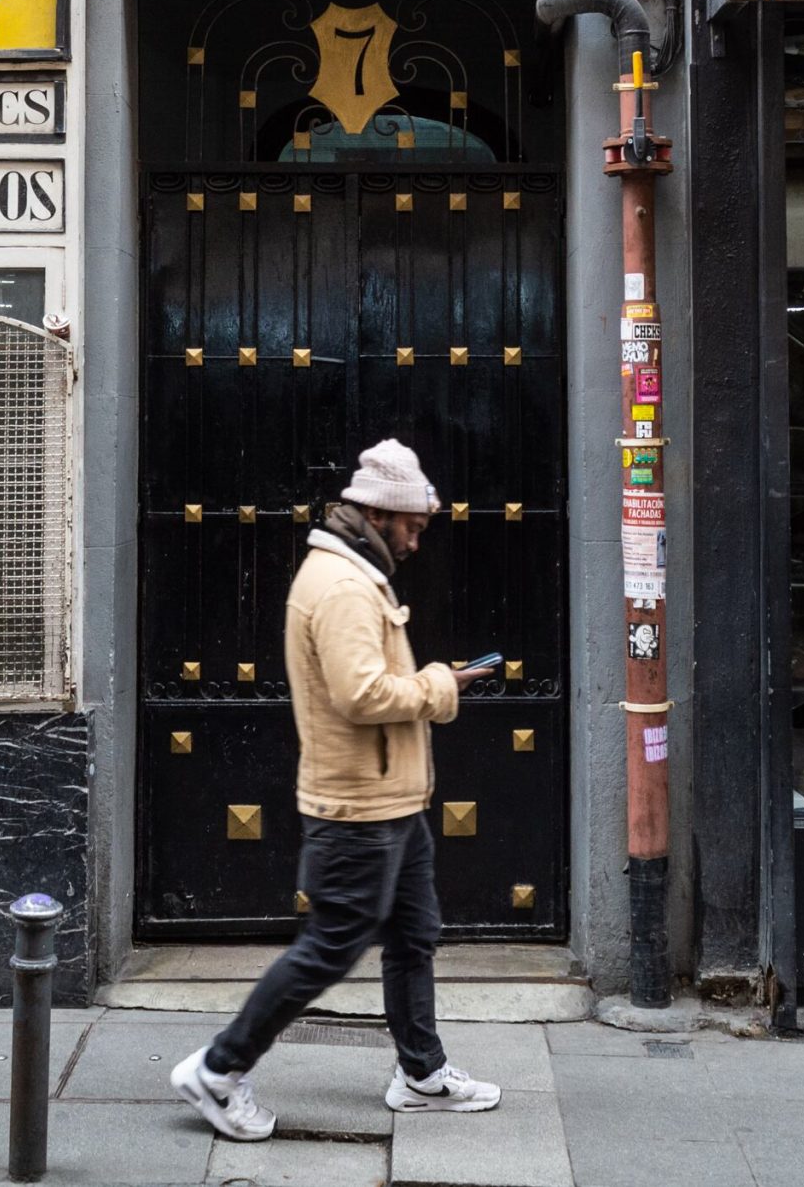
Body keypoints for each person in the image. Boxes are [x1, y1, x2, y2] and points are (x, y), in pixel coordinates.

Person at [173, 439, 502, 1141]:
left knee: (414, 935)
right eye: (412, 525)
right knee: (329, 946)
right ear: (379, 514)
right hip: (356, 808)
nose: (417, 540)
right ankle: (218, 1069)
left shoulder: (356, 572)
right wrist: (443, 685)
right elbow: (360, 695)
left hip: (393, 802)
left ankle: (421, 1073)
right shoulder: (346, 587)